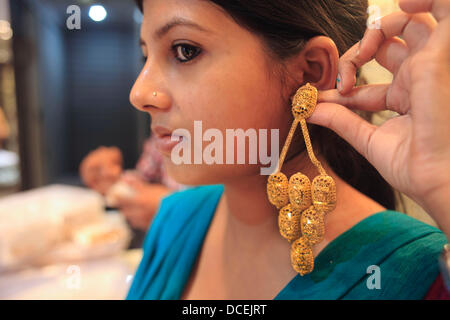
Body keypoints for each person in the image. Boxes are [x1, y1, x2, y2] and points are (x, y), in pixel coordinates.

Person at [126, 0, 450, 299]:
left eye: (185, 50)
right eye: (145, 55)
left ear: (311, 72)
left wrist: (443, 188)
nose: (140, 93)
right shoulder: (174, 218)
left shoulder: (416, 273)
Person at [80, 135, 184, 230]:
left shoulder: (194, 136)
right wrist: (112, 182)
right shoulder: (161, 134)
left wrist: (177, 206)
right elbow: (144, 177)